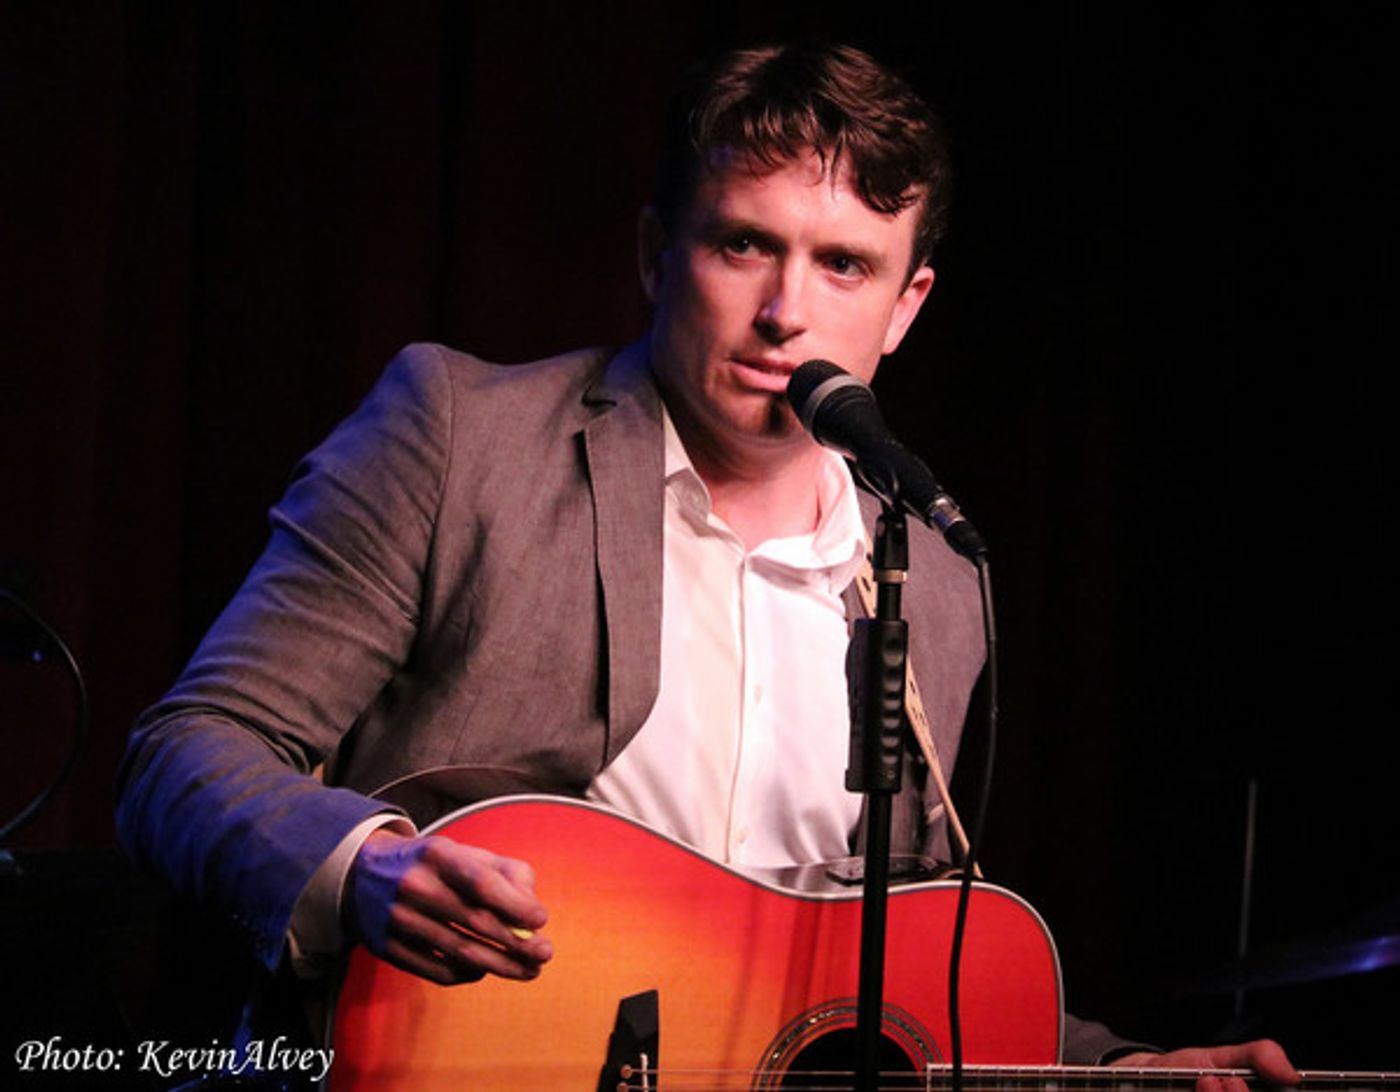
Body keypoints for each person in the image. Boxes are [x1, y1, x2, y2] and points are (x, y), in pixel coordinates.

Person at [117, 42, 1298, 1087]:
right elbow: (183, 754)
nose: (787, 310)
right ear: (654, 253)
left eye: (843, 266)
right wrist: (358, 868)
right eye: (745, 244)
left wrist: (1125, 1067)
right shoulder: (459, 438)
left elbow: (900, 970)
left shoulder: (927, 574)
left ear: (904, 306)